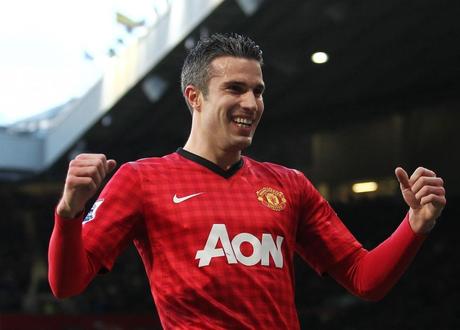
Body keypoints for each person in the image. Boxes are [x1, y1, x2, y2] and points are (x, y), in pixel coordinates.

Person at [49, 33, 446, 329]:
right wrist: (69, 213)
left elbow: (365, 279)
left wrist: (415, 226)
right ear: (195, 96)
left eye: (258, 91)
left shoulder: (289, 186)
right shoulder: (142, 180)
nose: (251, 103)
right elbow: (66, 284)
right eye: (235, 89)